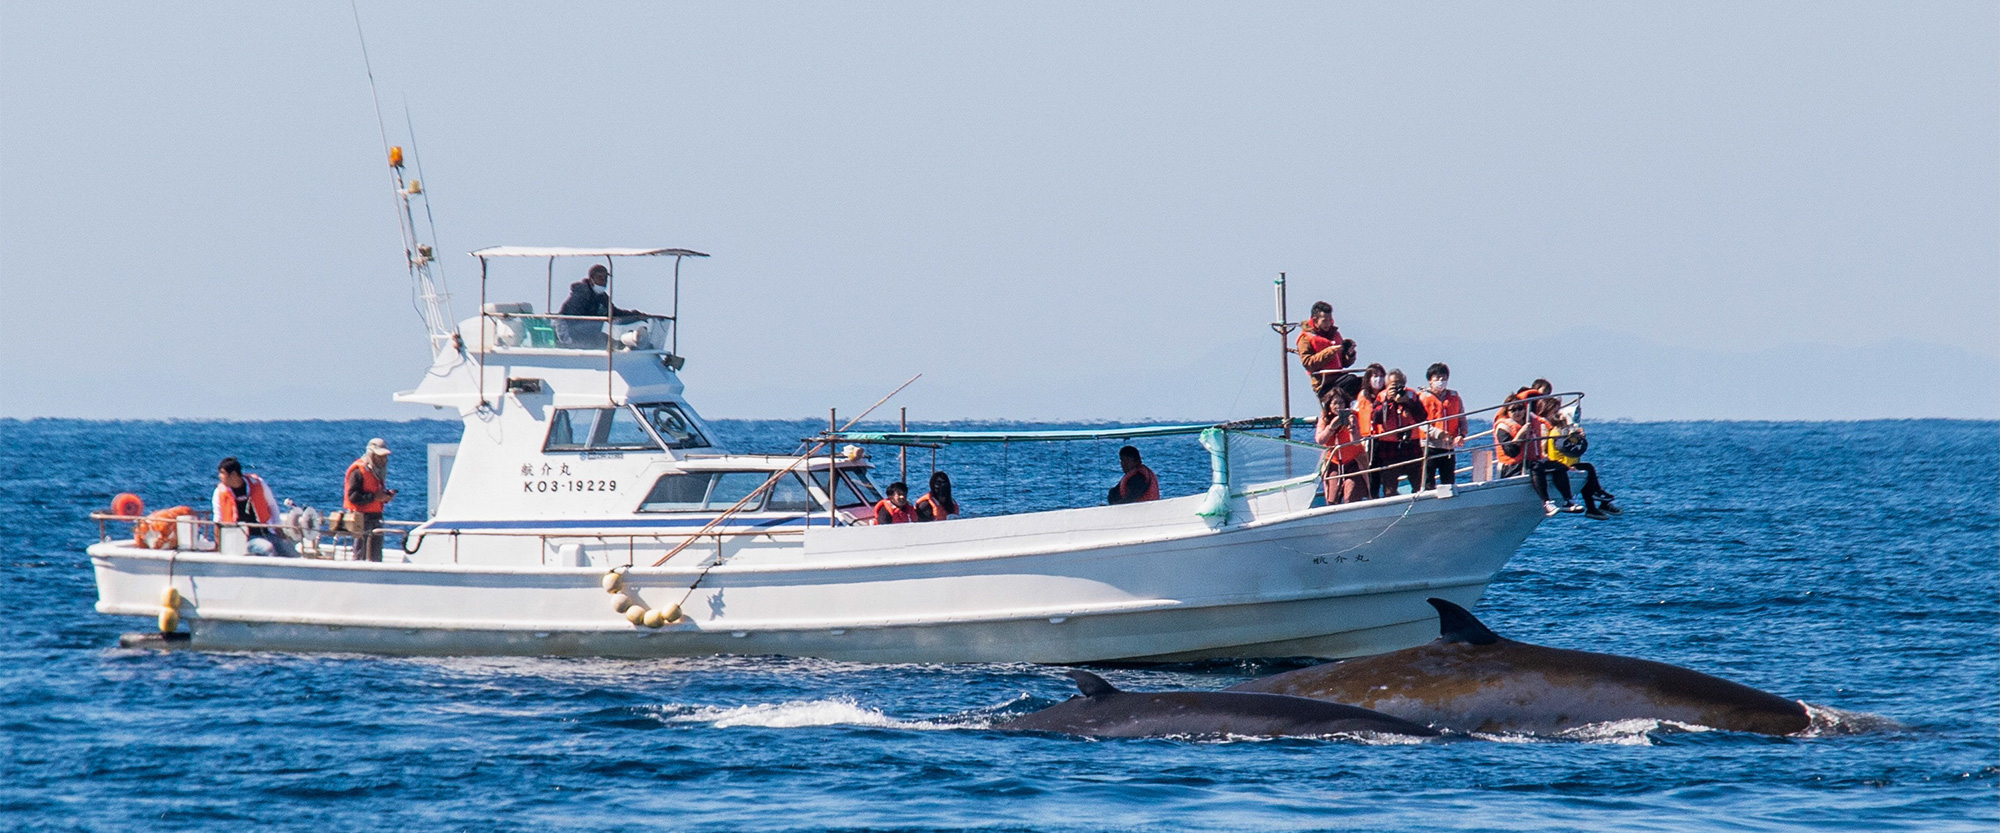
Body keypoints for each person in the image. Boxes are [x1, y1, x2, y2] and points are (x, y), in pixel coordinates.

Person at [1538, 387, 1622, 520]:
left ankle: (1598, 503)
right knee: (1587, 469)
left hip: (1565, 463)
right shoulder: (1550, 430)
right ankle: (1596, 503)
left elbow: (1568, 445)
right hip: (1559, 465)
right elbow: (1556, 449)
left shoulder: (1558, 430)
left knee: (1587, 470)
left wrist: (1577, 437)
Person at [212, 457, 296, 557]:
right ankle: (270, 572)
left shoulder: (258, 483)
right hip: (241, 538)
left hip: (266, 532)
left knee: (288, 548)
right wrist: (218, 544)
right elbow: (218, 520)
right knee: (267, 548)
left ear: (233, 474)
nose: (219, 476)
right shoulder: (219, 493)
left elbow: (272, 504)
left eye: (222, 473)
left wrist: (277, 526)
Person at [557, 264, 652, 347]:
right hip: (568, 330)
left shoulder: (602, 297)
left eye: (605, 278)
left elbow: (614, 313)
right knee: (602, 340)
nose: (603, 281)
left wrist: (635, 316)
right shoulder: (582, 294)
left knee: (609, 341)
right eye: (599, 278)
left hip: (588, 330)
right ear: (591, 279)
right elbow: (572, 319)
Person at [1368, 369, 1428, 496]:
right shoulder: (1382, 396)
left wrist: (1408, 402)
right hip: (1389, 445)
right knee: (1389, 485)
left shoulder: (1411, 395)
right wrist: (1388, 401)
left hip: (1411, 442)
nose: (1398, 388)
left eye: (1400, 384)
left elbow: (1422, 416)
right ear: (1387, 385)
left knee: (1419, 482)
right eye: (1394, 385)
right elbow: (1375, 418)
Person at [344, 438, 398, 561]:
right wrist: (374, 497)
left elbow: (374, 493)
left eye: (385, 457)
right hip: (362, 519)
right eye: (380, 457)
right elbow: (352, 497)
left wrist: (385, 496)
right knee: (361, 553)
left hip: (376, 518)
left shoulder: (376, 472)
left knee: (376, 554)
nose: (384, 460)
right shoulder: (358, 471)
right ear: (372, 455)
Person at [1314, 388, 1368, 505]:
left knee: (1351, 497)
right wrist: (1332, 427)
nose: (1338, 406)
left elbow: (1356, 442)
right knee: (1332, 500)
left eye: (1341, 403)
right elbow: (1320, 440)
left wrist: (1353, 428)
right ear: (1329, 405)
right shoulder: (1324, 419)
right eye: (1335, 403)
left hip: (1354, 461)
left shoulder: (1354, 416)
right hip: (1333, 462)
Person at [1417, 362, 1467, 489]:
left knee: (1449, 481)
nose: (1441, 381)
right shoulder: (1422, 398)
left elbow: (1462, 419)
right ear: (1430, 380)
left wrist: (1461, 435)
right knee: (1428, 480)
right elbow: (1420, 423)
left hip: (1449, 447)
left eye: (1444, 378)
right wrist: (1437, 433)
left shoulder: (1455, 397)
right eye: (1437, 378)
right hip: (1429, 445)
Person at [1295, 301, 1358, 398]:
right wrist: (1330, 351)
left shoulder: (1335, 334)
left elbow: (1344, 363)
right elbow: (1308, 363)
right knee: (1351, 380)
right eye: (1324, 321)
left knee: (1365, 382)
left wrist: (1349, 354)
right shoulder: (1305, 338)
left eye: (1330, 320)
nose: (1328, 324)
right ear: (1315, 320)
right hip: (1324, 384)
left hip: (1339, 377)